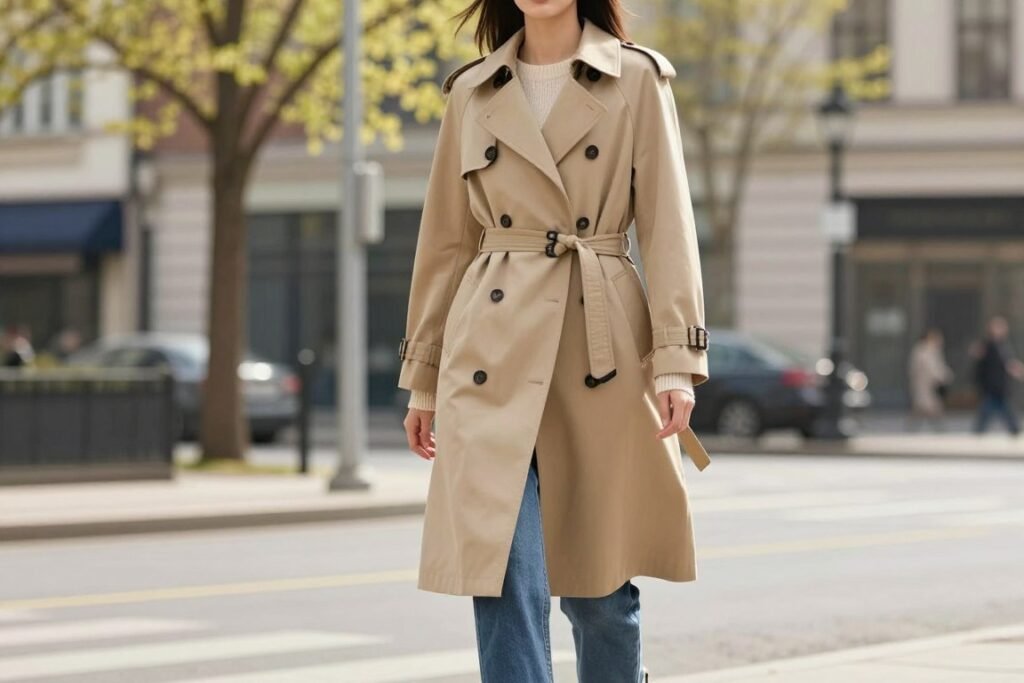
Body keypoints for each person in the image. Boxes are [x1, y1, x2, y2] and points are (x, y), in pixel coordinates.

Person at [396, 3, 710, 682]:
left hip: (598, 348)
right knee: (502, 570)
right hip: (489, 353)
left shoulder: (635, 79)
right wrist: (423, 375)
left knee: (599, 589)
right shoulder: (472, 91)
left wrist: (677, 361)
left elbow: (665, 225)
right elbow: (446, 243)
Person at [971, 316, 1023, 436]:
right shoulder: (988, 344)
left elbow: (1007, 363)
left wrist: (1016, 369)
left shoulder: (1002, 345)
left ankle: (1013, 429)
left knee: (998, 407)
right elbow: (980, 359)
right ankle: (1014, 430)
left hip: (999, 383)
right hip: (992, 383)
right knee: (997, 407)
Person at [907, 328, 953, 432]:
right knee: (927, 407)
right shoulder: (924, 351)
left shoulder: (930, 351)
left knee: (925, 408)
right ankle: (939, 429)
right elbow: (932, 369)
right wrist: (943, 376)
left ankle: (936, 428)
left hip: (929, 386)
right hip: (925, 385)